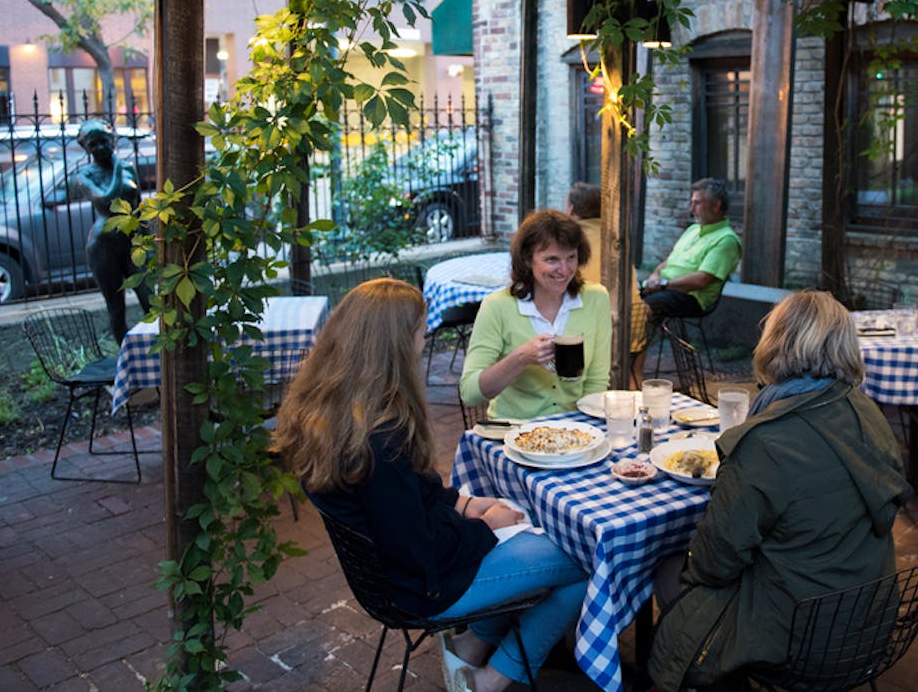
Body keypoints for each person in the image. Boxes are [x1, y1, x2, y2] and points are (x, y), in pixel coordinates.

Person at [271, 278, 588, 692]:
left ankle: (472, 645)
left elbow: (409, 499)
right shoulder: (379, 436)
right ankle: (491, 679)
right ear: (395, 344)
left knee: (518, 521)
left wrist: (464, 504)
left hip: (393, 575)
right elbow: (416, 547)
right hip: (420, 587)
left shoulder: (339, 411)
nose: (424, 339)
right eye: (421, 331)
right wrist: (485, 529)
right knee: (584, 560)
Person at [648, 289, 912, 692]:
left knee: (669, 571)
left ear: (775, 343)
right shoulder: (866, 412)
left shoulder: (766, 441)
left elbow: (713, 563)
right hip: (868, 617)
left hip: (801, 636)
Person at [460, 209, 611, 419]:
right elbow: (469, 393)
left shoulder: (596, 298)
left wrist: (583, 431)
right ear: (528, 259)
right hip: (514, 433)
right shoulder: (497, 306)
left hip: (576, 431)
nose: (565, 269)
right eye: (552, 260)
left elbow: (596, 381)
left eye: (571, 257)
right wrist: (520, 358)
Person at [632, 177, 742, 383]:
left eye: (697, 202)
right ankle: (624, 364)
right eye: (692, 202)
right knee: (624, 300)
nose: (692, 208)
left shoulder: (726, 239)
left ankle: (634, 373)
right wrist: (655, 276)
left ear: (716, 205)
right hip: (664, 288)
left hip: (692, 298)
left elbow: (702, 280)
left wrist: (662, 284)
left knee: (641, 309)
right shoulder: (692, 230)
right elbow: (667, 263)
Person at [74, 119, 151, 345]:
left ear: (112, 140)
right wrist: (117, 168)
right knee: (116, 308)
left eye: (103, 142)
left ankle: (158, 355)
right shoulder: (85, 176)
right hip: (103, 246)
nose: (99, 148)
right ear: (86, 148)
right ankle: (124, 356)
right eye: (93, 145)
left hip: (130, 243)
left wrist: (148, 241)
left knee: (151, 301)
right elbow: (107, 200)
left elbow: (138, 206)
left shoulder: (129, 169)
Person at [565, 181, 651, 357]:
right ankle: (634, 382)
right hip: (631, 320)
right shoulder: (617, 238)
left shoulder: (569, 239)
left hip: (589, 325)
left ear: (571, 209)